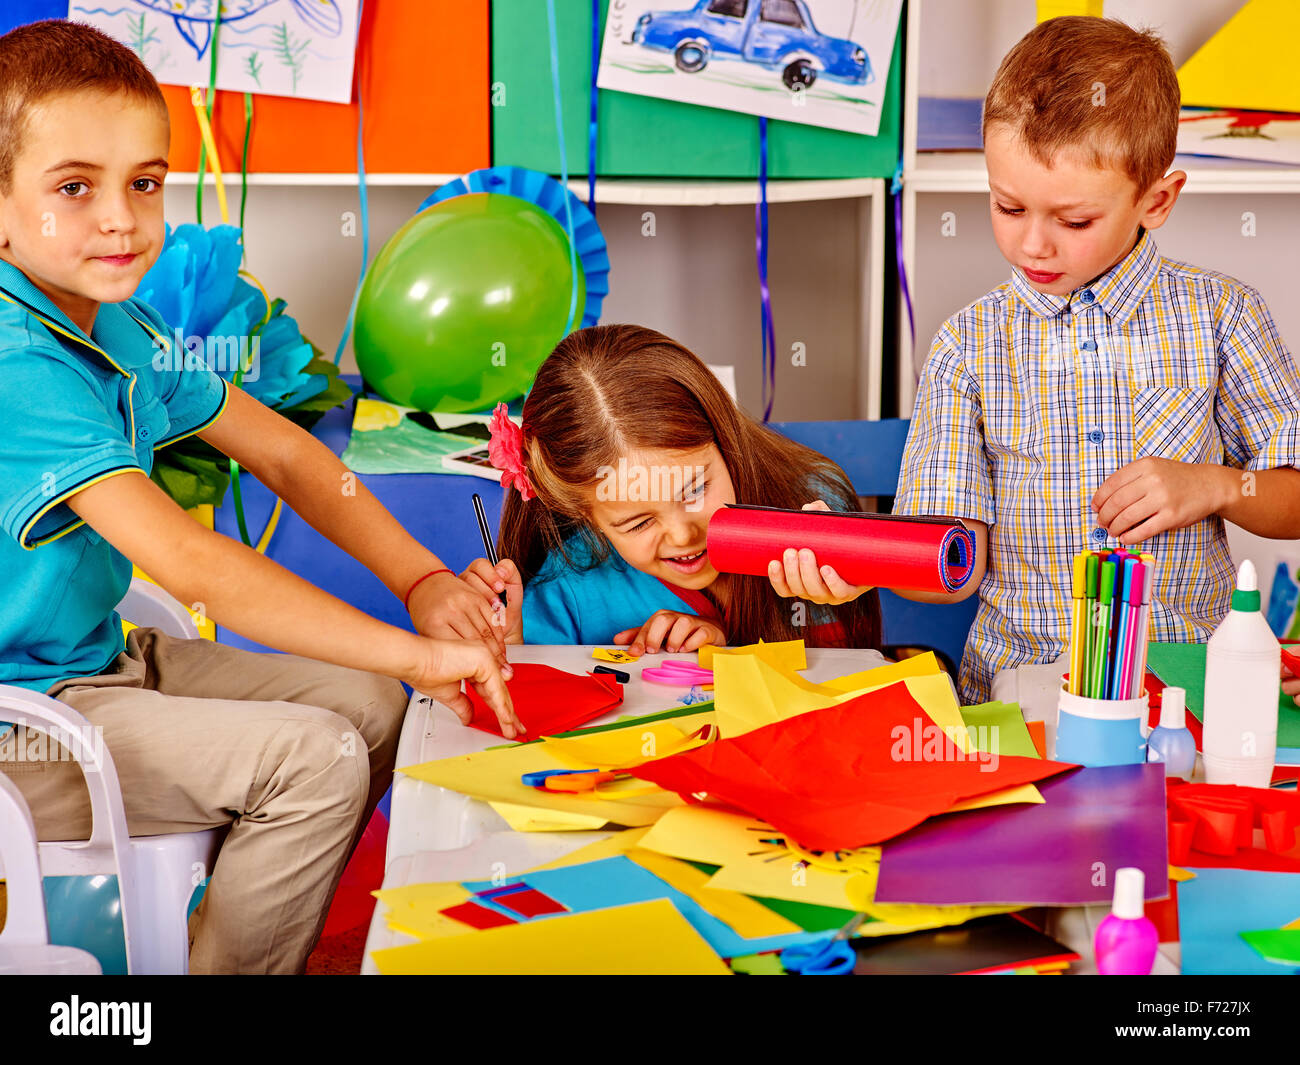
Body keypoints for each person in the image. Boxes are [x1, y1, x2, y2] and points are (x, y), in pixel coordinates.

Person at [0, 19, 517, 974]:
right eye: (74, 188)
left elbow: (284, 453)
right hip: (21, 727)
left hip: (96, 668)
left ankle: (221, 940)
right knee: (314, 760)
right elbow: (196, 563)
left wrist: (420, 581)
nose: (121, 218)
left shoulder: (111, 318)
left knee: (369, 704)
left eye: (144, 183)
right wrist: (421, 650)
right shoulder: (16, 359)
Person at [892, 16, 1300, 704]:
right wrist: (858, 565)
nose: (1033, 245)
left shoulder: (1223, 315)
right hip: (1019, 697)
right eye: (1007, 206)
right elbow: (949, 564)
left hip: (1185, 694)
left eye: (1073, 220)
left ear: (1156, 200)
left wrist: (1219, 486)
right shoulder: (968, 343)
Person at [460, 324, 882, 657]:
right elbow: (522, 715)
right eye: (638, 522)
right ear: (586, 517)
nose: (684, 536)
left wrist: (724, 653)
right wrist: (510, 651)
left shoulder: (812, 507)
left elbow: (839, 683)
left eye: (695, 489)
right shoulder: (567, 589)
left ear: (724, 437)